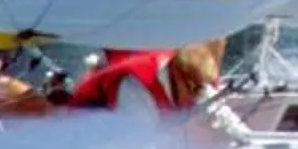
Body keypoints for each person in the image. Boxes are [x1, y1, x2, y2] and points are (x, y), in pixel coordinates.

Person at [67, 39, 223, 113]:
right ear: (178, 76)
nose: (198, 98)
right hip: (89, 115)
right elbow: (140, 148)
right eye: (194, 89)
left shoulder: (200, 79)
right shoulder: (136, 88)